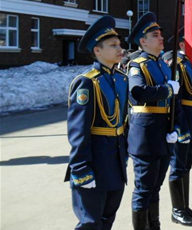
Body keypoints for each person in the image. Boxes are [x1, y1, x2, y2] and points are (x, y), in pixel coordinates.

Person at [65, 15, 129, 230]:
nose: (120, 48)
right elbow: (78, 131)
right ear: (97, 51)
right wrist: (81, 168)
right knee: (90, 223)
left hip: (115, 159)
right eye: (113, 45)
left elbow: (123, 121)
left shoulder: (121, 78)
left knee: (107, 218)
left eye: (119, 44)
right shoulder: (87, 82)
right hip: (95, 160)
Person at [125, 12, 185, 230]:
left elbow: (174, 101)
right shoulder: (137, 65)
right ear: (143, 41)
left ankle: (154, 226)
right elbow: (137, 92)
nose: (161, 38)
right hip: (146, 135)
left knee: (155, 187)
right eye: (155, 35)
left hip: (163, 133)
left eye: (161, 34)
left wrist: (176, 126)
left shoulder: (163, 65)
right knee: (143, 189)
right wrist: (167, 89)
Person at [163, 35, 192, 227]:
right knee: (178, 165)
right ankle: (177, 210)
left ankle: (184, 205)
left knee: (187, 164)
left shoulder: (188, 63)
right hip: (183, 117)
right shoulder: (176, 64)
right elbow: (175, 97)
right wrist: (178, 125)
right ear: (181, 45)